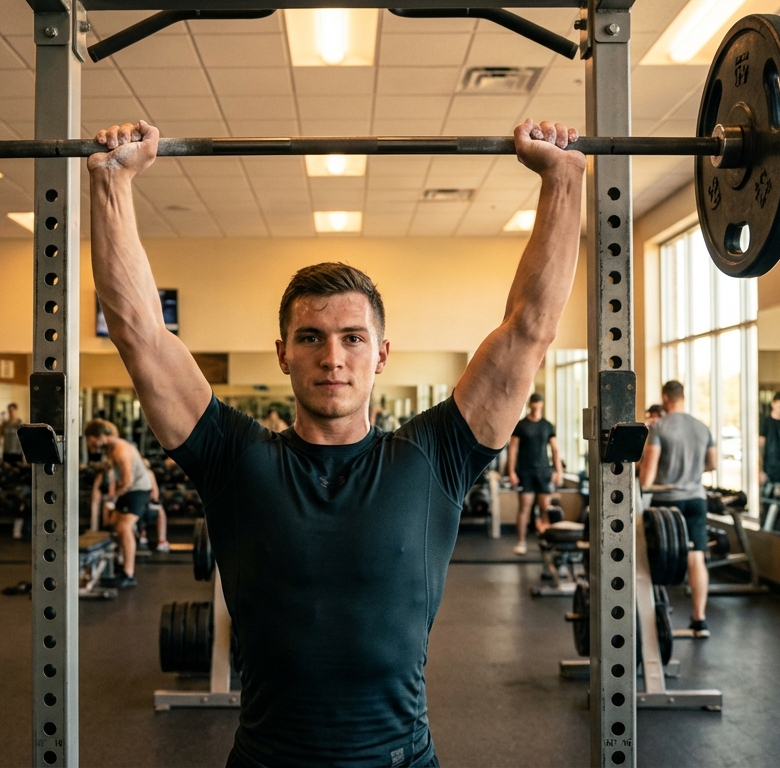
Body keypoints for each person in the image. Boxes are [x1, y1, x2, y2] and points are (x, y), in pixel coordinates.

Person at [88, 116, 582, 766]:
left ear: (380, 355)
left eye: (352, 338)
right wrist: (111, 184)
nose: (333, 357)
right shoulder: (234, 460)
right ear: (283, 354)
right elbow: (139, 335)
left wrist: (564, 180)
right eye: (311, 338)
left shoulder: (435, 458)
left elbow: (530, 331)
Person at [639, 380, 717, 638]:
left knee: (656, 556)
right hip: (696, 498)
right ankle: (699, 619)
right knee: (696, 556)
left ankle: (654, 612)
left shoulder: (660, 426)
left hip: (666, 500)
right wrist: (690, 472)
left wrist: (643, 485)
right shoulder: (702, 427)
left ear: (665, 398)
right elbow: (712, 464)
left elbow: (648, 474)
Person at [84, 419, 156, 587]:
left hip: (138, 489)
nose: (88, 443)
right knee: (113, 525)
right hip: (127, 489)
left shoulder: (120, 450)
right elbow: (114, 475)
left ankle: (128, 574)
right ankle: (119, 561)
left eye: (90, 439)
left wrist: (113, 497)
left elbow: (127, 480)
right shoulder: (108, 449)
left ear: (101, 436)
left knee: (124, 528)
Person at [506, 393, 562, 555]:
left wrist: (559, 471)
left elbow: (555, 450)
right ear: (530, 405)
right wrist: (511, 472)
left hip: (544, 471)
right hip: (525, 472)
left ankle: (546, 541)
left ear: (542, 405)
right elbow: (513, 450)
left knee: (546, 508)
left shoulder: (547, 426)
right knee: (524, 507)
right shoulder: (521, 425)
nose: (536, 406)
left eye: (539, 403)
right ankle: (521, 542)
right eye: (534, 403)